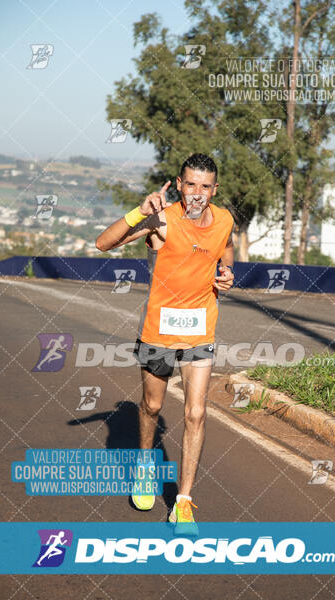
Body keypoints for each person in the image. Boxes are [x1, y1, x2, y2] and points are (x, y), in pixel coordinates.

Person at [96, 153, 234, 534]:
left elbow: (226, 247)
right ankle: (144, 467)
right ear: (179, 183)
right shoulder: (163, 218)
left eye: (205, 186)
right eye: (190, 184)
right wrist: (138, 213)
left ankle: (184, 502)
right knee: (152, 405)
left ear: (214, 189)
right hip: (158, 330)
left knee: (195, 413)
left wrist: (226, 272)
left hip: (200, 328)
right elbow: (103, 243)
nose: (197, 193)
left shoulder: (224, 219)